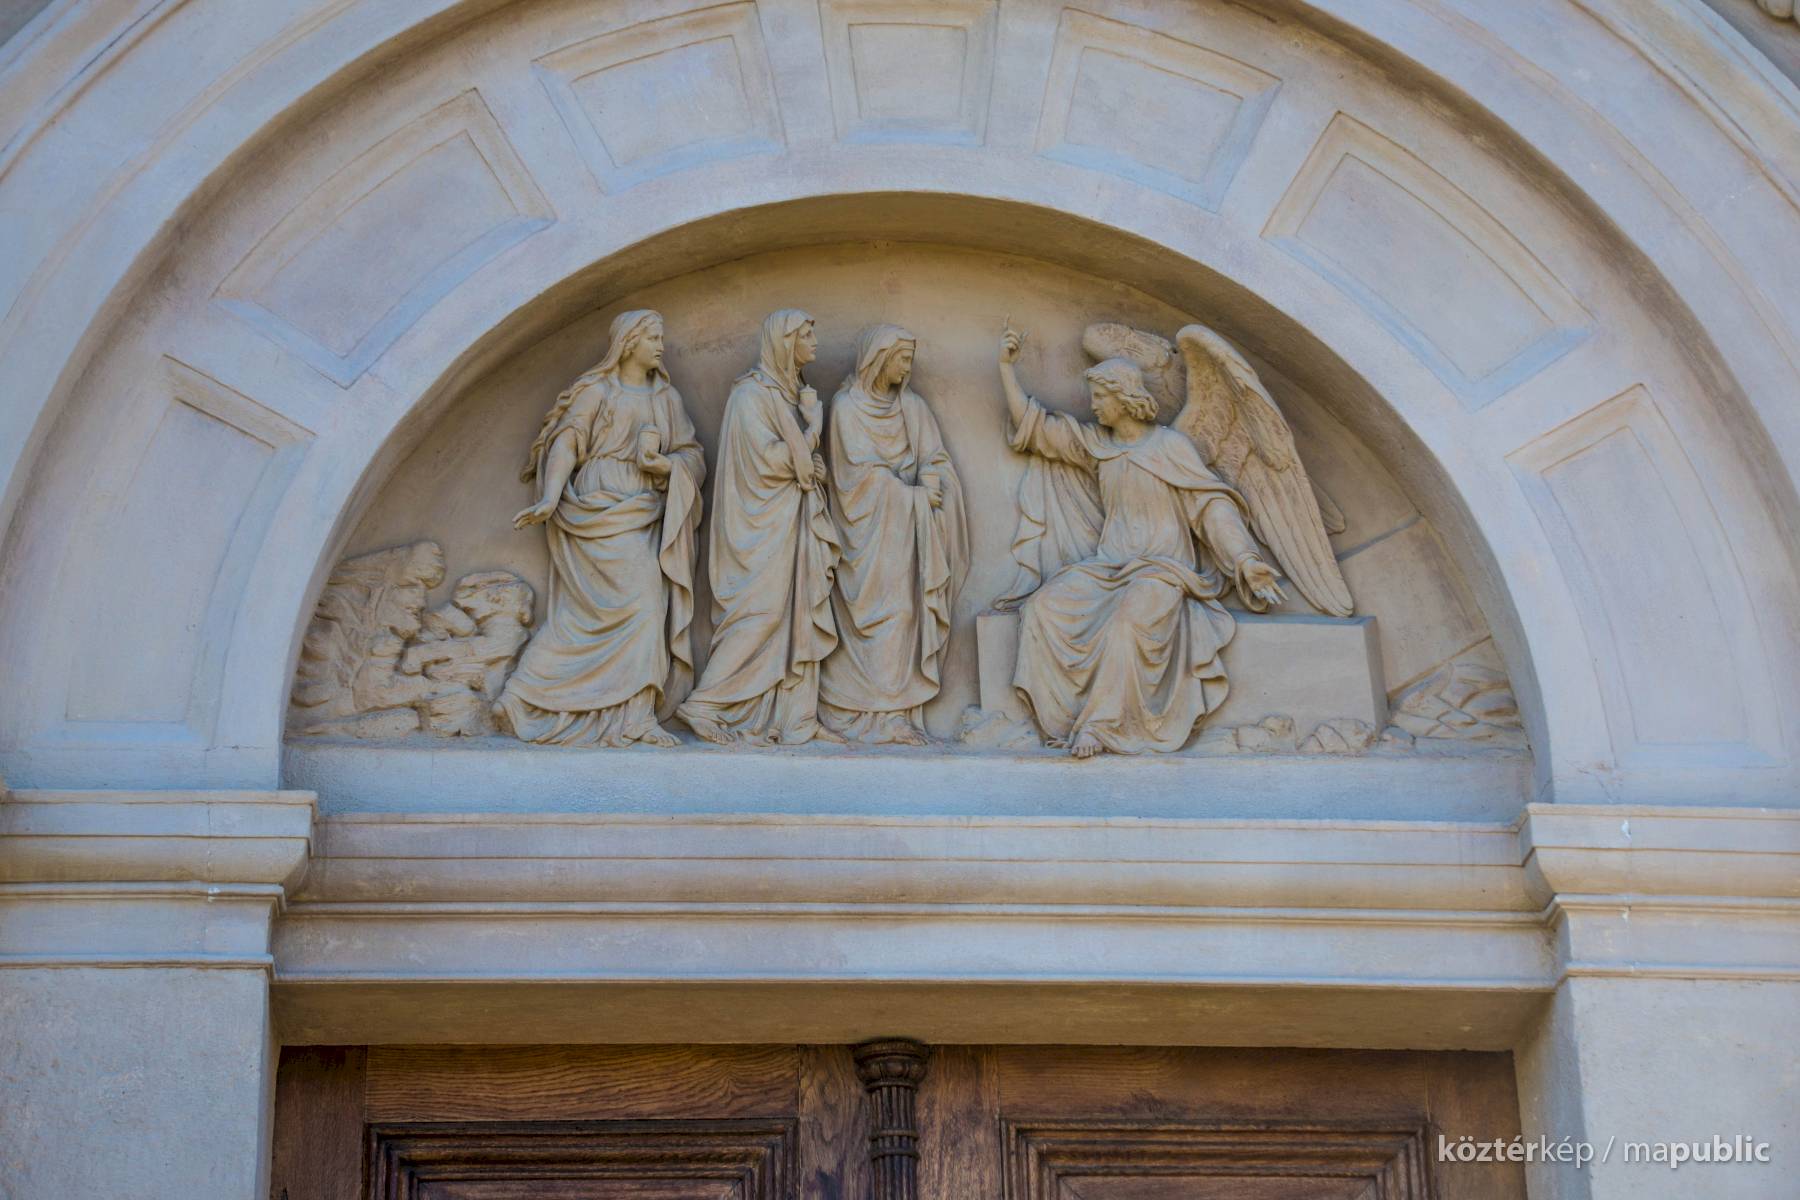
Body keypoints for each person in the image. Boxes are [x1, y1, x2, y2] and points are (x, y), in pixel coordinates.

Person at [996, 325, 1284, 757]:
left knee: (1127, 624)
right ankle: (1059, 719)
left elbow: (1210, 507)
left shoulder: (1171, 447)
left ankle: (1101, 725)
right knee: (1042, 607)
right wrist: (1006, 368)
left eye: (1100, 397)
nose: (1094, 405)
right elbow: (1035, 428)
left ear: (1124, 398)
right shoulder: (1098, 446)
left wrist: (1244, 559)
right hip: (1108, 568)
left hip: (1162, 571)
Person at [494, 309, 704, 747]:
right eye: (653, 338)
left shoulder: (666, 398)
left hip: (643, 510)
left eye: (660, 338)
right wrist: (550, 497)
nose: (661, 346)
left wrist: (665, 465)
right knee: (581, 618)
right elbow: (568, 442)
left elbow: (692, 455)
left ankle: (636, 715)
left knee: (648, 607)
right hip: (596, 508)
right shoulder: (598, 390)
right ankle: (523, 694)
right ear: (628, 342)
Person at [677, 310, 843, 745]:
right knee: (762, 614)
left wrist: (812, 464)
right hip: (757, 529)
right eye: (806, 335)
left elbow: (800, 465)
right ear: (785, 343)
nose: (815, 342)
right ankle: (704, 703)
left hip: (790, 521)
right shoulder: (751, 395)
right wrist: (814, 426)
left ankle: (794, 718)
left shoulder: (790, 395)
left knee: (797, 613)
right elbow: (774, 460)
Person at [819, 325, 968, 744]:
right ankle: (857, 712)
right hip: (863, 537)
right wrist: (912, 495)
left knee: (903, 614)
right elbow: (855, 479)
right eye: (902, 359)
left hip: (906, 537)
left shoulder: (913, 408)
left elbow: (935, 459)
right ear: (880, 359)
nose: (907, 368)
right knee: (871, 618)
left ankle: (895, 715)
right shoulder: (846, 408)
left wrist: (933, 480)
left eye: (910, 359)